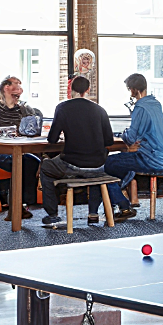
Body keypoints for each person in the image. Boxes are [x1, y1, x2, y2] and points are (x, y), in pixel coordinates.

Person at [39, 75, 113, 229]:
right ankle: (93, 213)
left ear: (70, 88)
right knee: (93, 172)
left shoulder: (62, 108)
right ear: (88, 90)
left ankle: (53, 215)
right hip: (98, 166)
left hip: (72, 164)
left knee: (46, 167)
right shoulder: (100, 110)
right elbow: (109, 141)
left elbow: (52, 139)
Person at [95, 73, 163, 221]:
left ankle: (123, 204)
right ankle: (120, 205)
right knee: (120, 164)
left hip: (151, 159)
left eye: (130, 89)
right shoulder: (155, 104)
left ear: (134, 90)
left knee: (107, 164)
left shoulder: (140, 108)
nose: (129, 92)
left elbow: (130, 139)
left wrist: (122, 133)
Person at [0, 75, 42, 221]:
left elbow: (34, 126)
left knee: (32, 161)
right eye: (16, 85)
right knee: (20, 162)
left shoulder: (24, 110)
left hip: (18, 151)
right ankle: (14, 205)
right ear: (6, 88)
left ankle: (21, 204)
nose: (20, 89)